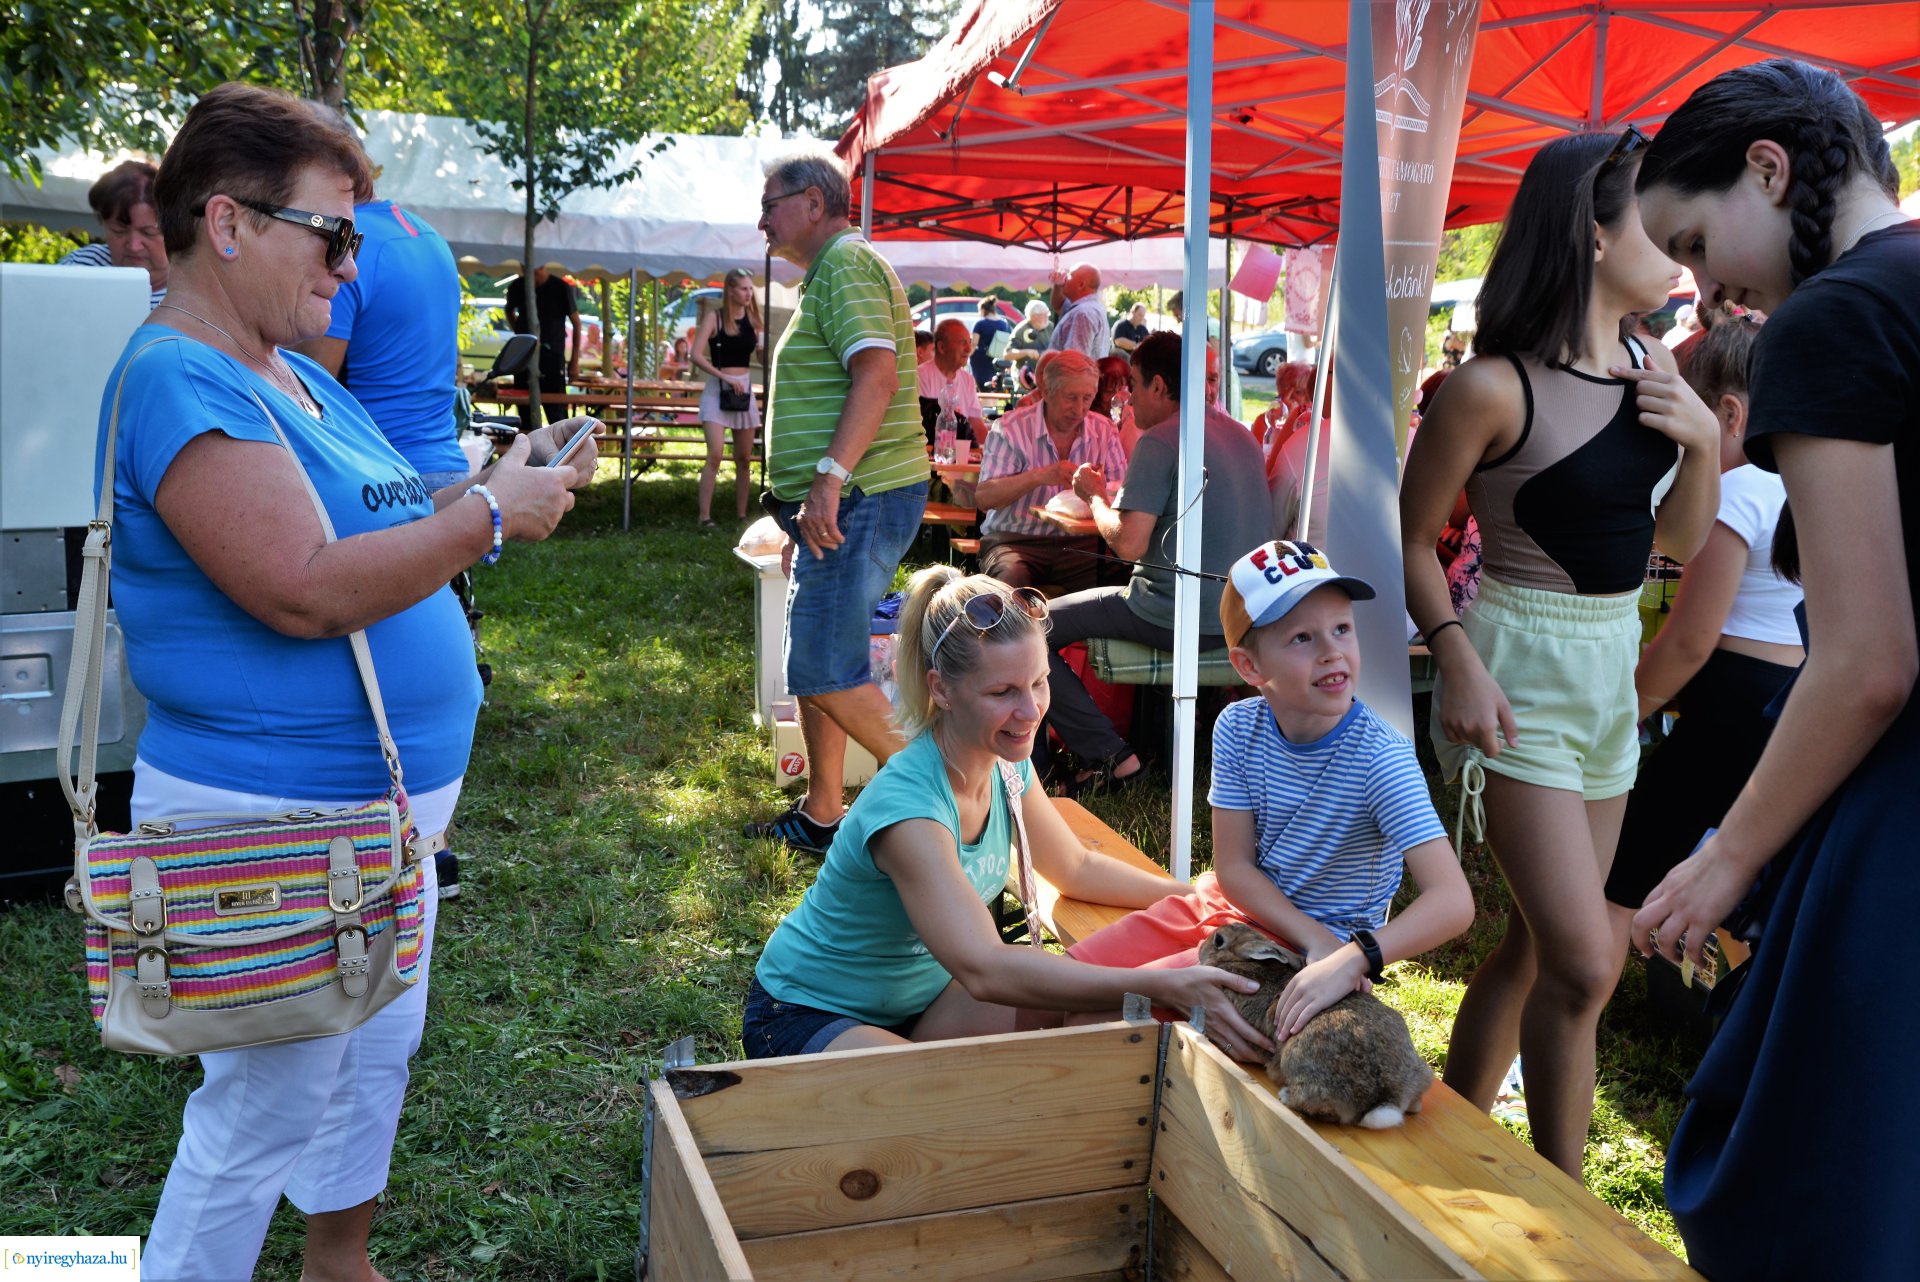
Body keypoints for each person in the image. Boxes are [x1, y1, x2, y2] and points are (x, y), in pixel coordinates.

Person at [107, 82, 588, 1281]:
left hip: (367, 814)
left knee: (372, 1048)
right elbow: (303, 586)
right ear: (229, 224)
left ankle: (339, 1262)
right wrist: (485, 519)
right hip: (269, 812)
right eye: (333, 234)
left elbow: (378, 509)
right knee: (255, 1117)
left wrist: (495, 485)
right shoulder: (184, 377)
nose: (351, 265)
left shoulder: (291, 373)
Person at [1631, 59, 1919, 1280]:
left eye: (1695, 242)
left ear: (1769, 168)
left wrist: (1724, 855)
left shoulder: (1832, 319)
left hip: (1902, 806)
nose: (1706, 289)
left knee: (1807, 1180)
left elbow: (1866, 662)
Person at [1399, 127, 1721, 1181]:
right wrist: (1455, 658)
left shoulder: (1651, 367)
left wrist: (1704, 444)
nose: (1680, 246)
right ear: (1593, 229)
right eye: (1658, 220)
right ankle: (1561, 1199)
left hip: (1608, 679)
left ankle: (1449, 1137)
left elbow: (1673, 544)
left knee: (1539, 947)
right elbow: (1409, 540)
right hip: (1517, 675)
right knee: (1587, 962)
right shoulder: (1491, 387)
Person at [744, 568, 1272, 1060]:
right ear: (941, 689)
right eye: (1002, 692)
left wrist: (1200, 901)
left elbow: (1075, 869)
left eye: (1039, 682)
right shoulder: (910, 811)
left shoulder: (1003, 764)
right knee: (945, 1113)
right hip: (808, 1016)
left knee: (1090, 1019)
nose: (1031, 711)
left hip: (924, 1005)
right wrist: (1161, 984)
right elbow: (986, 970)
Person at [1069, 542, 1473, 1045]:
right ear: (1249, 666)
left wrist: (1350, 956)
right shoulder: (1237, 726)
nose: (1332, 651)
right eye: (1302, 637)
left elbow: (1454, 902)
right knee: (1070, 982)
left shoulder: (1379, 757)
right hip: (1230, 911)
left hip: (1287, 951)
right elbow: (1234, 868)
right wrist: (1313, 937)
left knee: (1098, 1023)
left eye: (1342, 629)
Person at [742, 148, 928, 856]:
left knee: (824, 665)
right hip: (841, 502)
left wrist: (826, 479)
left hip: (860, 495)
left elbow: (875, 376)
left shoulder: (847, 265)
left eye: (770, 205)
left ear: (814, 202)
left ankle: (948, 798)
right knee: (818, 660)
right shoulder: (832, 272)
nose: (762, 221)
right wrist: (803, 503)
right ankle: (824, 812)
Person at [1604, 315, 1802, 969]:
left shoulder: (1736, 488)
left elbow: (1690, 641)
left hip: (1733, 705)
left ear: (1731, 412)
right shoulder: (1798, 483)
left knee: (1629, 865)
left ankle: (1584, 990)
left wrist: (1619, 717)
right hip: (1788, 697)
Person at [1046, 331, 1274, 794]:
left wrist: (1094, 497)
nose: (1126, 396)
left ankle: (1112, 760)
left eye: (1131, 383)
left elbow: (1127, 545)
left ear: (1157, 386)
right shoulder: (1242, 435)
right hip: (1243, 614)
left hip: (1171, 613)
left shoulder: (1163, 439)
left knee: (1029, 627)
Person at [289, 128, 468, 493]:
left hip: (385, 481)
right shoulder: (428, 235)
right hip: (448, 469)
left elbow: (309, 390)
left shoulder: (347, 241)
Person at [975, 349, 1127, 594]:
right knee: (1010, 582)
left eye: (1087, 398)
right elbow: (984, 498)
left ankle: (1095, 632)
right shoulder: (1010, 428)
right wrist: (1040, 475)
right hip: (1014, 540)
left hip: (1081, 545)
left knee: (1128, 578)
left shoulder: (1104, 430)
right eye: (1070, 397)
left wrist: (1099, 490)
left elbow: (1123, 494)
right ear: (1045, 391)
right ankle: (1005, 631)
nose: (1079, 409)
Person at [689, 267, 764, 528]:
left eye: (750, 288)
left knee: (744, 458)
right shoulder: (716, 317)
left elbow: (761, 360)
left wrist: (763, 344)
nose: (748, 293)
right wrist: (724, 376)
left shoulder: (753, 319)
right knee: (716, 454)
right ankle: (704, 517)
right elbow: (696, 355)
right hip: (718, 389)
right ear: (730, 290)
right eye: (744, 288)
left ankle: (742, 515)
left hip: (743, 390)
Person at [57, 159, 169, 308]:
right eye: (119, 230)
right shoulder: (78, 269)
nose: (134, 246)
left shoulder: (197, 289)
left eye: (149, 232)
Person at [502, 264, 580, 427]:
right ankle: (529, 449)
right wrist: (520, 333)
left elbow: (576, 323)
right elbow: (509, 311)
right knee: (525, 411)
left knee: (556, 412)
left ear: (542, 267)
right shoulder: (517, 286)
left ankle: (562, 450)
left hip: (552, 358)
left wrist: (574, 361)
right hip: (524, 358)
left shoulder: (560, 287)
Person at [917, 317, 987, 443]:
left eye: (969, 342)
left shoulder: (968, 380)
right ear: (942, 347)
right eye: (962, 343)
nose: (968, 349)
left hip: (961, 455)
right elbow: (922, 426)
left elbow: (976, 423)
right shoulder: (921, 376)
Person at [1048, 263, 1111, 360]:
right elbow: (1058, 305)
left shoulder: (1083, 313)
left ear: (1081, 285)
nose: (1064, 279)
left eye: (1069, 275)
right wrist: (1058, 285)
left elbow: (1074, 361)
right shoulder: (1088, 307)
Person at [1092, 353, 1140, 456]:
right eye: (1109, 391)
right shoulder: (1089, 425)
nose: (1117, 397)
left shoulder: (1131, 420)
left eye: (1122, 390)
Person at [970, 295, 1011, 389]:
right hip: (998, 361)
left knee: (983, 387)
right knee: (996, 385)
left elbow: (973, 344)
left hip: (981, 360)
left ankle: (985, 403)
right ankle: (993, 403)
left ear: (983, 309)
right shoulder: (1004, 323)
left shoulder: (980, 324)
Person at [1008, 298, 1053, 372]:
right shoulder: (1021, 330)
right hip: (1025, 375)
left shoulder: (1050, 326)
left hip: (1046, 373)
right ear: (1034, 316)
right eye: (1044, 314)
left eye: (1047, 313)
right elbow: (1008, 354)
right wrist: (1027, 352)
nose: (1047, 317)